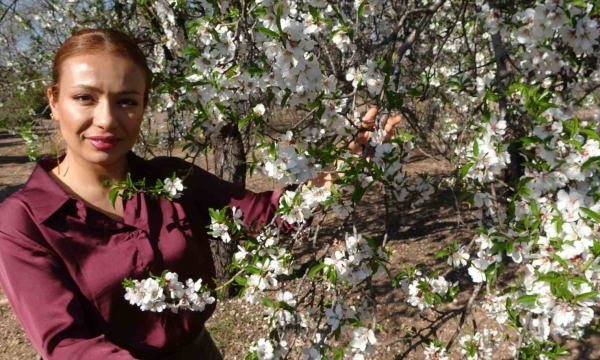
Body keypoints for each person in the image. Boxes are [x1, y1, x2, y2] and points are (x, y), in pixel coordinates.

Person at [0, 28, 401, 360]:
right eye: (84, 97)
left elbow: (263, 219)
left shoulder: (172, 180)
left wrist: (337, 177)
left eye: (126, 101)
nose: (105, 119)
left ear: (142, 108)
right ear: (54, 101)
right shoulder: (25, 219)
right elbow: (66, 345)